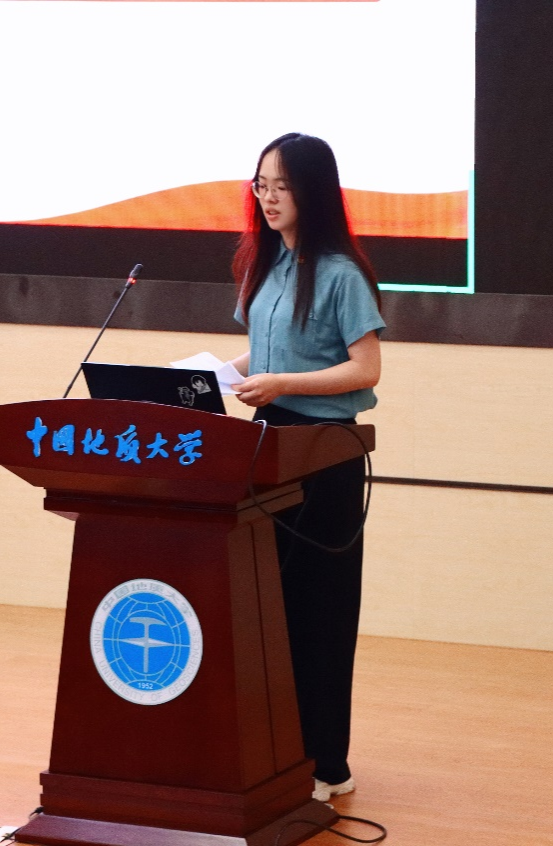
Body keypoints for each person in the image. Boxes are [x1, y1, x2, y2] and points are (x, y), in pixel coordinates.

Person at [228, 133, 385, 803]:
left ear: (312, 192)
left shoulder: (341, 273)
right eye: (261, 185)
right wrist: (203, 375)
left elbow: (366, 368)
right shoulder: (265, 265)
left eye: (282, 186)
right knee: (273, 608)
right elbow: (261, 354)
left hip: (323, 456)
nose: (268, 198)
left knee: (320, 611)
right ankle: (282, 752)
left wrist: (282, 384)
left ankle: (327, 764)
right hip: (267, 449)